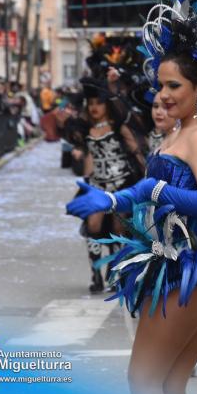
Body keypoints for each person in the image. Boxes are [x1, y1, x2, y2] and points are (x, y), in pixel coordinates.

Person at [67, 0, 197, 394]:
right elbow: (147, 192)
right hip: (182, 265)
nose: (162, 95)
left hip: (192, 270)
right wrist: (110, 198)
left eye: (173, 86)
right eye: (160, 85)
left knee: (144, 384)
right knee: (169, 388)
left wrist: (156, 192)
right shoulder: (182, 132)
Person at [79, 77, 145, 293]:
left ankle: (116, 271)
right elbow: (90, 158)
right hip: (98, 185)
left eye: (98, 102)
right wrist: (86, 182)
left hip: (121, 184)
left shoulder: (118, 126)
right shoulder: (87, 129)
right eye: (91, 104)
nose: (94, 107)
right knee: (93, 226)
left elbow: (135, 150)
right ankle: (96, 274)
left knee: (119, 228)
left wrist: (148, 172)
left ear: (106, 104)